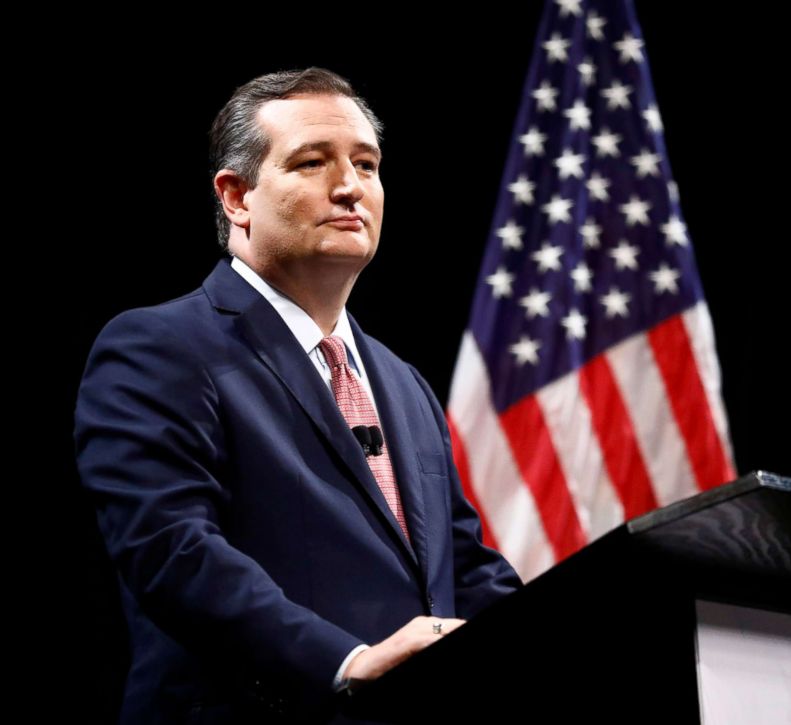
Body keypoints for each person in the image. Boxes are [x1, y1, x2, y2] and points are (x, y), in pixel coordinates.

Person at [74, 67, 522, 724]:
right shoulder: (157, 347)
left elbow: (465, 566)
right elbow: (170, 547)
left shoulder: (403, 381)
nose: (349, 187)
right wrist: (343, 661)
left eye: (366, 165)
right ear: (236, 197)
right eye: (312, 163)